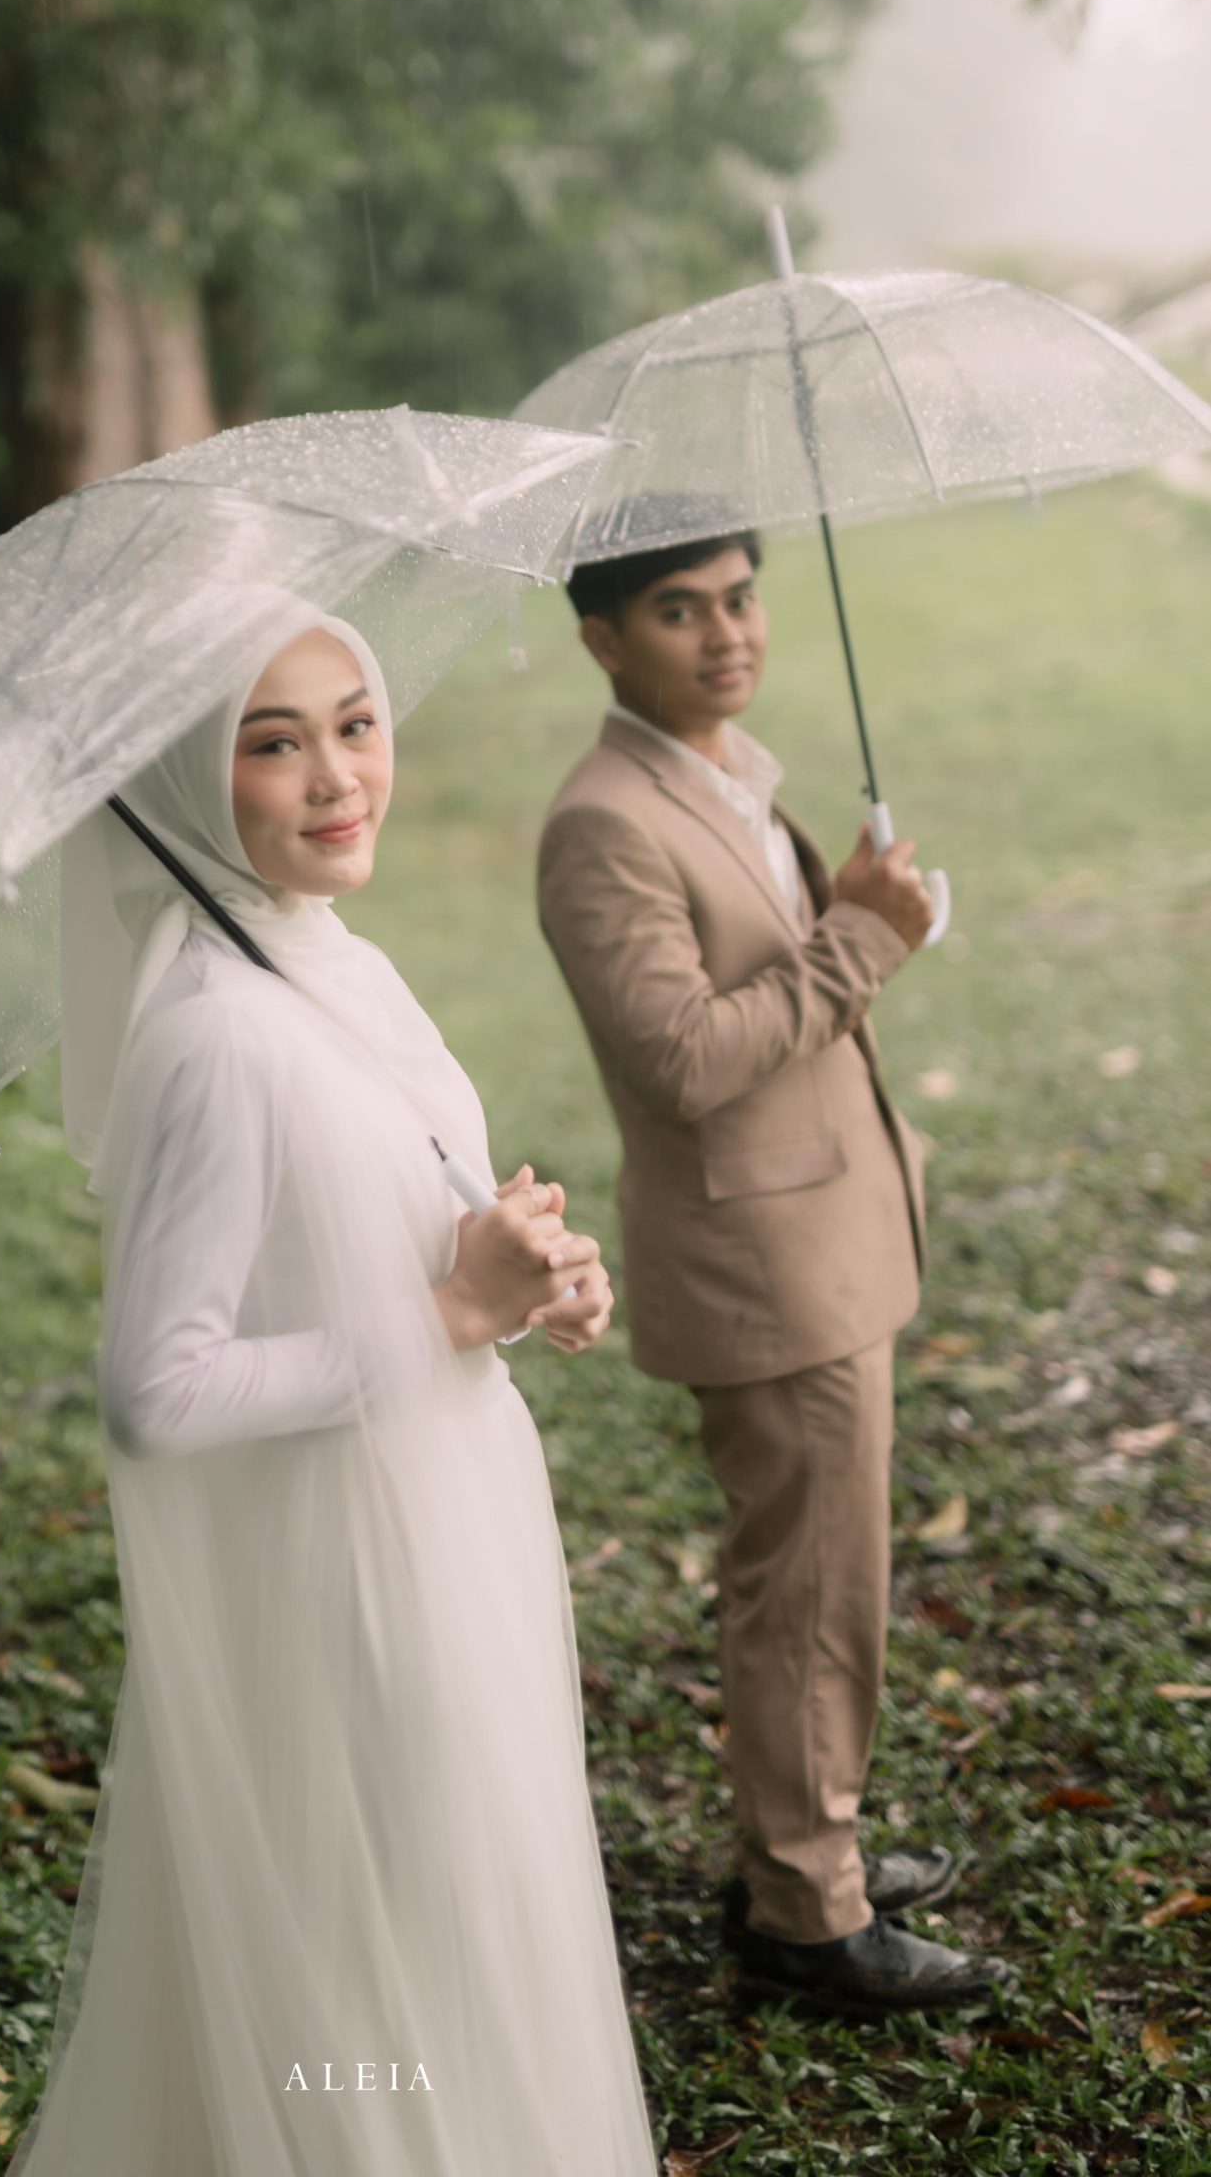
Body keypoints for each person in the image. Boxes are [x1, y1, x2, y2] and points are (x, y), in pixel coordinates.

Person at [9, 597, 659, 2175]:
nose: (336, 776)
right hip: (346, 1571)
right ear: (185, 784)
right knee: (383, 1966)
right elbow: (155, 1392)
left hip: (446, 1517)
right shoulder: (219, 1041)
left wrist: (522, 1279)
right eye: (272, 744)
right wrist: (446, 1311)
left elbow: (388, 1241)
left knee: (457, 1926)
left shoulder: (330, 962)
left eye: (354, 725)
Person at [536, 523, 1011, 2015]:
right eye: (680, 611)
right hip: (764, 1265)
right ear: (604, 639)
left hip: (829, 1233)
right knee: (805, 1594)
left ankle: (804, 1854)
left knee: (833, 1577)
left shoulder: (728, 773)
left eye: (740, 600)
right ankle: (807, 1909)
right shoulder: (603, 822)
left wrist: (842, 907)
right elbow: (682, 1059)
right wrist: (859, 942)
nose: (726, 633)